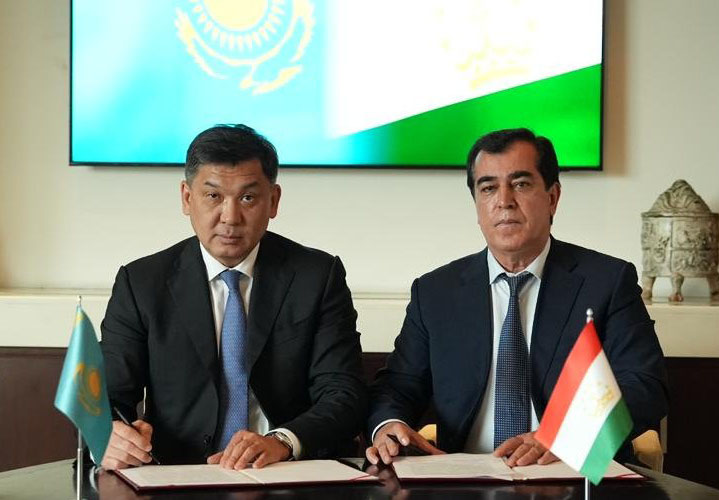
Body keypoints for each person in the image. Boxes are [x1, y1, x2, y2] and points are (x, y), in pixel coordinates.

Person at [366, 128, 668, 467]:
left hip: (569, 469)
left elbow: (644, 385)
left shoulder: (607, 282)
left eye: (521, 184)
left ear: (552, 197)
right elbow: (398, 386)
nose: (504, 200)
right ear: (477, 204)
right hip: (465, 477)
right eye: (488, 188)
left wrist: (564, 436)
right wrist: (388, 424)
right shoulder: (436, 292)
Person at [100, 124, 367, 470]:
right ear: (187, 198)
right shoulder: (141, 283)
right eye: (213, 196)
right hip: (178, 476)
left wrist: (283, 442)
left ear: (273, 201)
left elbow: (343, 392)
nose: (230, 217)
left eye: (247, 198)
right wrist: (108, 435)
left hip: (285, 471)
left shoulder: (317, 277)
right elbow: (106, 395)